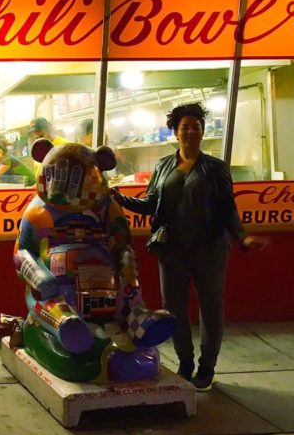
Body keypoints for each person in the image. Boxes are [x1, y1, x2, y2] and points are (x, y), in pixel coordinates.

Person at [111, 102, 267, 392]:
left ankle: (207, 367)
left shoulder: (216, 168)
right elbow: (150, 205)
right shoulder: (163, 166)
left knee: (210, 308)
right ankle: (185, 362)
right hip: (172, 251)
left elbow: (227, 209)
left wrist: (243, 237)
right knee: (174, 310)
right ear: (175, 132)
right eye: (185, 127)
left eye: (196, 127)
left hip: (210, 250)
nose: (191, 132)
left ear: (202, 131)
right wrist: (119, 199)